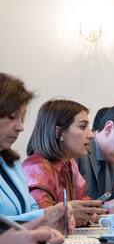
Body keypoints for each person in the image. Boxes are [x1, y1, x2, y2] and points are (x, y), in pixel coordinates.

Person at [0, 73, 93, 232]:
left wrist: (57, 215)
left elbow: (32, 209)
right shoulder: (36, 167)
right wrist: (49, 216)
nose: (20, 127)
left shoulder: (12, 164)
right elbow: (39, 215)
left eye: (22, 118)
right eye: (12, 116)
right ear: (59, 132)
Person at [22, 99, 106, 226]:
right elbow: (42, 221)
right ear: (59, 132)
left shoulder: (70, 164)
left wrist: (88, 212)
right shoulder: (36, 168)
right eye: (83, 127)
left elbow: (84, 208)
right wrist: (72, 214)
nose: (91, 135)